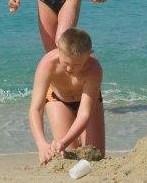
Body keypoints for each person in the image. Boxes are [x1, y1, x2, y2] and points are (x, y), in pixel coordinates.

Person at [28, 27, 105, 164]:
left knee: (95, 155)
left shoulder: (94, 69)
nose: (69, 68)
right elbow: (36, 109)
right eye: (66, 63)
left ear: (89, 55)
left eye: (76, 65)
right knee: (69, 155)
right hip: (58, 99)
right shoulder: (47, 64)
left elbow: (84, 114)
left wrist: (64, 141)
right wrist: (42, 144)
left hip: (87, 102)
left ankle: (66, 140)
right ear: (59, 49)